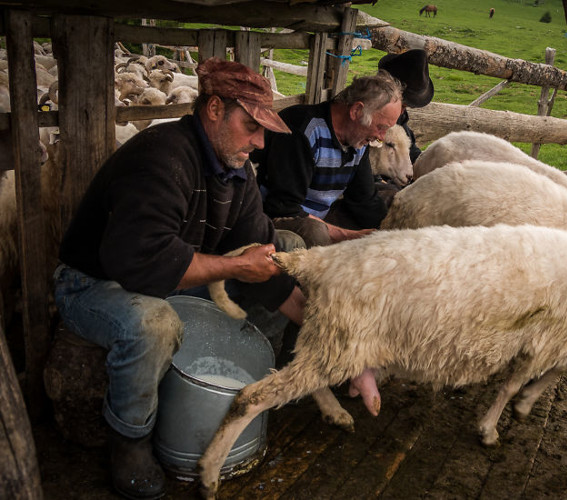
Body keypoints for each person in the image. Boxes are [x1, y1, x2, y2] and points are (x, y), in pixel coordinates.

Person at [53, 58, 306, 500]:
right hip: (94, 282)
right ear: (213, 109)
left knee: (285, 247)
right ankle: (129, 440)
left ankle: (245, 387)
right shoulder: (161, 156)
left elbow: (263, 260)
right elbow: (138, 261)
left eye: (263, 130)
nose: (260, 142)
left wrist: (326, 329)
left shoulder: (236, 172)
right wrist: (232, 267)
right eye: (250, 125)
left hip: (164, 276)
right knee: (155, 323)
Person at [250, 70, 404, 248]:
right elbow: (284, 208)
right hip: (275, 218)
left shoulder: (358, 139)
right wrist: (348, 235)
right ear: (357, 111)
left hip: (318, 216)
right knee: (315, 232)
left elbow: (363, 199)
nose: (381, 137)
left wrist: (388, 234)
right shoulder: (304, 129)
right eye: (380, 127)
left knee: (391, 198)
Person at [377, 49, 434, 164]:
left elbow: (410, 148)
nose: (402, 111)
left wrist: (426, 163)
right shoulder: (368, 116)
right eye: (402, 105)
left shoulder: (400, 117)